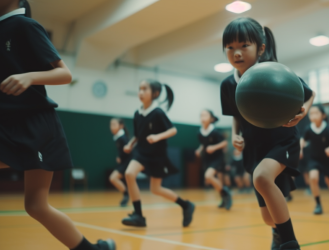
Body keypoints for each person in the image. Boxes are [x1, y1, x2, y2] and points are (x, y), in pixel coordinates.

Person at [0, 1, 115, 249]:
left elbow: (65, 74)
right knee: (36, 205)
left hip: (36, 125)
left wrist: (29, 77)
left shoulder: (24, 25)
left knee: (36, 204)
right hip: (7, 122)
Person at [220, 17, 315, 250]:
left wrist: (303, 113)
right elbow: (236, 114)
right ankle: (278, 234)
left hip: (282, 141)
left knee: (262, 177)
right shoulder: (227, 85)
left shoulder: (274, 73)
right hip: (254, 148)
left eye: (244, 46)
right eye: (230, 47)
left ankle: (291, 243)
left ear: (260, 48)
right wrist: (235, 135)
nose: (237, 53)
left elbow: (309, 94)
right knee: (268, 217)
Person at [121, 80, 195, 228]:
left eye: (145, 89)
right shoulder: (137, 113)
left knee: (155, 189)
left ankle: (186, 205)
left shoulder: (158, 112)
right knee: (129, 174)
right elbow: (137, 135)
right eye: (139, 89)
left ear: (155, 94)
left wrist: (157, 137)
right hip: (141, 152)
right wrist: (130, 144)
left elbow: (173, 130)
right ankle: (139, 216)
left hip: (157, 155)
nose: (141, 92)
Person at [300, 105, 329, 215]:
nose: (313, 115)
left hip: (327, 160)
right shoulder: (308, 129)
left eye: (316, 113)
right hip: (314, 159)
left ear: (323, 115)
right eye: (311, 113)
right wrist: (300, 149)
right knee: (313, 178)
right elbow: (303, 139)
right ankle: (318, 204)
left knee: (328, 181)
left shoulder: (328, 128)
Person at [196, 109, 231, 210]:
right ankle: (224, 197)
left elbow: (224, 143)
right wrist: (199, 150)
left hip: (217, 158)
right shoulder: (199, 132)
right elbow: (203, 144)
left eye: (205, 115)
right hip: (208, 159)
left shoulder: (215, 131)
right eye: (201, 115)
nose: (203, 117)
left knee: (208, 176)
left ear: (211, 119)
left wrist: (214, 147)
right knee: (211, 179)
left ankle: (226, 194)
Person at [109, 118, 132, 207]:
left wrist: (122, 157)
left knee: (113, 178)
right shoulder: (118, 137)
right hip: (124, 162)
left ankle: (126, 194)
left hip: (128, 162)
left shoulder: (123, 138)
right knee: (114, 178)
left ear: (121, 126)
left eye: (114, 124)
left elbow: (129, 150)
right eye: (111, 124)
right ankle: (126, 195)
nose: (111, 127)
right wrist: (119, 156)